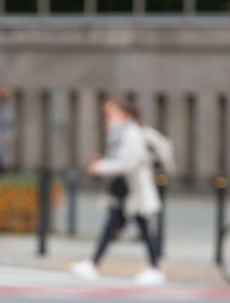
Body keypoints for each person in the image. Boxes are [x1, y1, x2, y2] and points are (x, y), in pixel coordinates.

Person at [70, 98, 164, 285]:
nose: (108, 118)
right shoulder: (120, 134)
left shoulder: (132, 133)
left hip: (134, 190)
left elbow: (127, 163)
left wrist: (100, 167)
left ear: (124, 114)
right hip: (125, 190)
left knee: (142, 227)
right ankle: (93, 264)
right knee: (115, 226)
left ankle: (154, 269)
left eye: (111, 113)